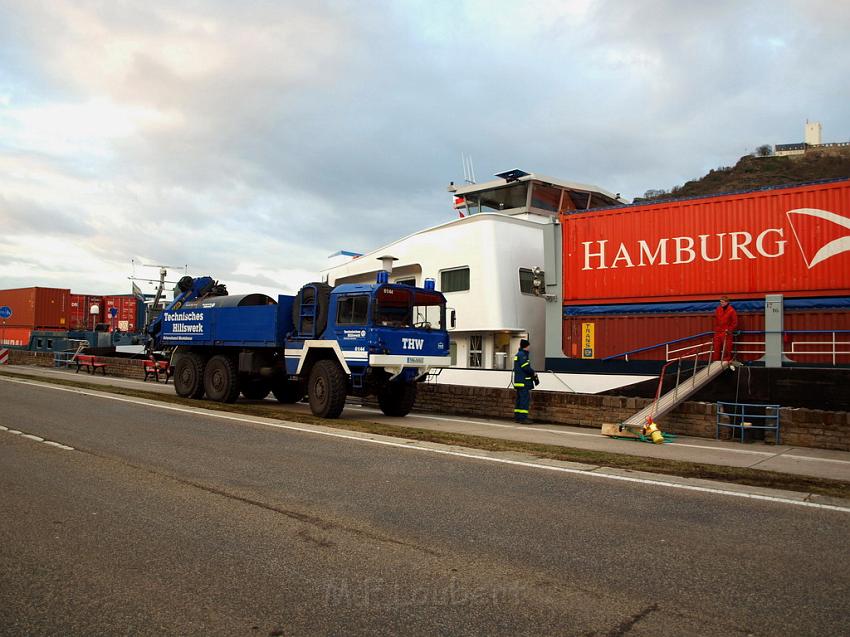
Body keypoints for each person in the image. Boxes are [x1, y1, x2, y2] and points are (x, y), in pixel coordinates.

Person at [513, 339, 539, 423]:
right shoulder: (523, 355)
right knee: (524, 400)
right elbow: (526, 368)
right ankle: (523, 418)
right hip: (523, 382)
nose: (529, 347)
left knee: (519, 400)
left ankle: (518, 417)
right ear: (526, 346)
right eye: (529, 346)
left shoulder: (518, 354)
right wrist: (533, 373)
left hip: (519, 382)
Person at [712, 296, 738, 363]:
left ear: (727, 302)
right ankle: (715, 361)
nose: (721, 303)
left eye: (723, 302)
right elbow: (717, 320)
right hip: (718, 331)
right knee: (716, 348)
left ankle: (726, 360)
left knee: (727, 348)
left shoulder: (732, 311)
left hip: (726, 332)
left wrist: (729, 330)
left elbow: (734, 323)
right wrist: (716, 329)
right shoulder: (718, 309)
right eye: (720, 302)